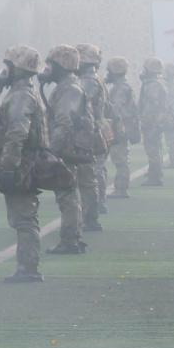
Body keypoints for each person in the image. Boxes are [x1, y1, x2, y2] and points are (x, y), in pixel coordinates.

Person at [0, 45, 51, 281]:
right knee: (24, 217)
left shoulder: (20, 96)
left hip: (22, 162)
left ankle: (28, 268)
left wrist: (8, 166)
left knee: (24, 218)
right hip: (25, 161)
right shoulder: (21, 93)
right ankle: (27, 266)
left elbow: (17, 133)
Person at [42, 45, 99, 253]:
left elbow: (64, 122)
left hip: (66, 150)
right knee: (68, 194)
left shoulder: (69, 89)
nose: (47, 68)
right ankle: (72, 237)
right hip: (68, 148)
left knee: (67, 195)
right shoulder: (68, 87)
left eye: (51, 64)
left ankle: (70, 239)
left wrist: (52, 151)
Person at [76, 43, 110, 232]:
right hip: (97, 128)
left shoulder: (88, 81)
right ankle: (97, 206)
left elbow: (81, 106)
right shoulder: (95, 78)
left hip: (89, 132)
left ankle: (91, 215)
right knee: (96, 171)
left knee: (90, 176)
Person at [104, 57, 138, 199]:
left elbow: (116, 110)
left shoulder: (120, 89)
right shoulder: (123, 87)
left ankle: (121, 189)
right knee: (120, 159)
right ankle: (120, 188)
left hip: (119, 128)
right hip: (121, 128)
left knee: (120, 160)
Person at [138, 57, 174, 186]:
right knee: (155, 148)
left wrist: (146, 121)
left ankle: (155, 176)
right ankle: (154, 172)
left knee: (152, 149)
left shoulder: (153, 85)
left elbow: (152, 105)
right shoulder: (159, 82)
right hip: (157, 121)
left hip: (153, 121)